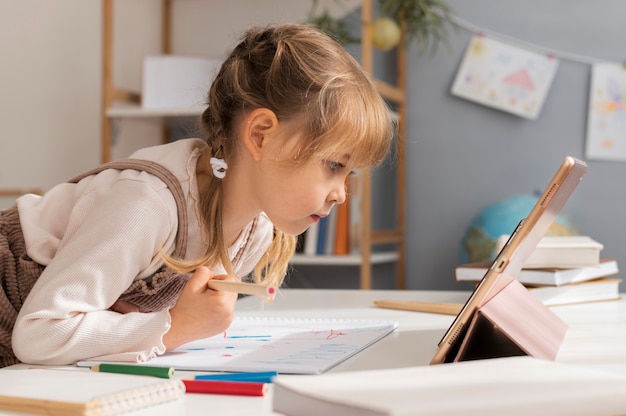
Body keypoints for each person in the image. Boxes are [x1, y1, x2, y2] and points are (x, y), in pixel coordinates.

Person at [0, 23, 394, 368]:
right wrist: (176, 327)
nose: (343, 195)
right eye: (333, 165)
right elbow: (38, 334)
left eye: (350, 172)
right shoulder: (148, 203)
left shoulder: (255, 231)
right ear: (260, 135)